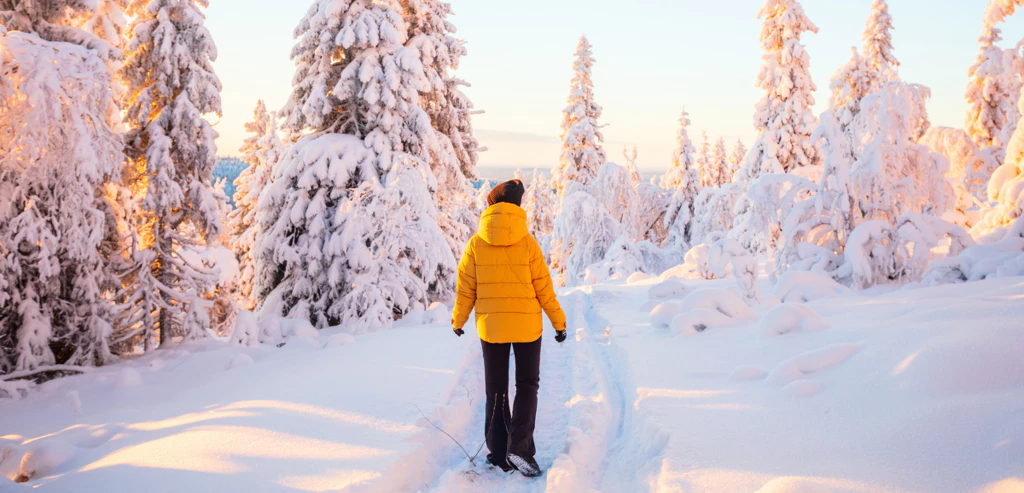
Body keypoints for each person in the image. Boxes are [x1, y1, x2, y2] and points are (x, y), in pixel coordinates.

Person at [451, 178, 567, 477]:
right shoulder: (527, 242)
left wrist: (459, 320)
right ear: (517, 207)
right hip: (528, 325)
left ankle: (499, 452)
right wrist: (559, 323)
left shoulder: (476, 243)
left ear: (490, 205)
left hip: (491, 328)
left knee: (496, 389)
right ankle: (521, 450)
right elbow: (544, 288)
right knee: (527, 386)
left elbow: (466, 288)